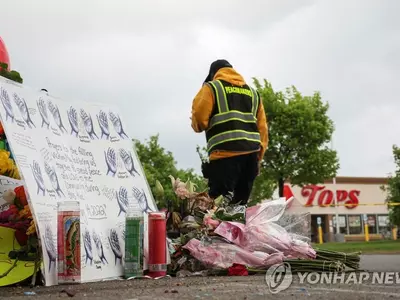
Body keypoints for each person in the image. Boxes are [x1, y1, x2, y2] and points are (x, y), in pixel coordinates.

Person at [191, 59, 268, 205]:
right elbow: (262, 129)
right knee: (239, 209)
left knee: (217, 209)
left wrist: (196, 122)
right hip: (250, 158)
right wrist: (258, 157)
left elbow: (200, 121)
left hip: (224, 158)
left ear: (214, 74)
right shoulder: (253, 93)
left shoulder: (212, 88)